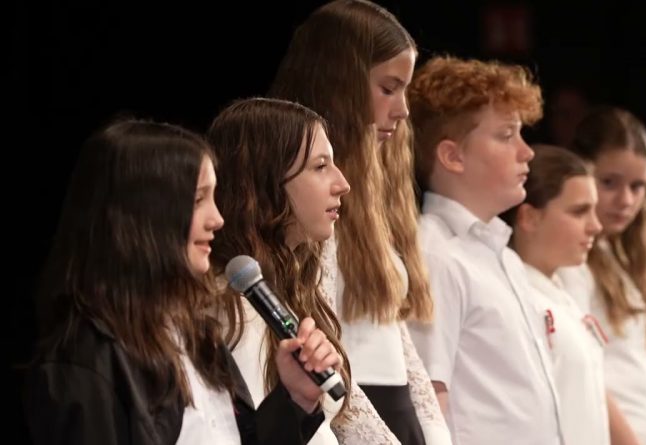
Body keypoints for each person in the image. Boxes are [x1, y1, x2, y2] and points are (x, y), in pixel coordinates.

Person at [23, 118, 340, 444]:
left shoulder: (197, 335)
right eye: (198, 199)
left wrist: (296, 400)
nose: (217, 219)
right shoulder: (88, 361)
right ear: (145, 215)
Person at [269, 1, 450, 444]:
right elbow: (324, 353)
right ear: (340, 85)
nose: (402, 109)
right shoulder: (310, 204)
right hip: (352, 422)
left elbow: (397, 338)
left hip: (392, 418)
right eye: (388, 88)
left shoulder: (372, 195)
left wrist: (435, 433)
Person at [406, 55, 562, 445]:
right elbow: (428, 399)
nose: (527, 152)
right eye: (506, 136)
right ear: (452, 156)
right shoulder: (436, 255)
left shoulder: (503, 257)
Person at [207, 97, 352, 445]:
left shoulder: (286, 287)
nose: (342, 183)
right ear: (266, 180)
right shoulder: (236, 307)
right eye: (321, 166)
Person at [500, 144, 639, 445]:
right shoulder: (515, 302)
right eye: (579, 212)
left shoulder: (562, 298)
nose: (595, 226)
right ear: (530, 218)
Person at [557, 106, 646, 445]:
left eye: (637, 186)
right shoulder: (569, 260)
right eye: (609, 182)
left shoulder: (621, 257)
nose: (625, 199)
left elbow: (641, 375)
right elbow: (587, 372)